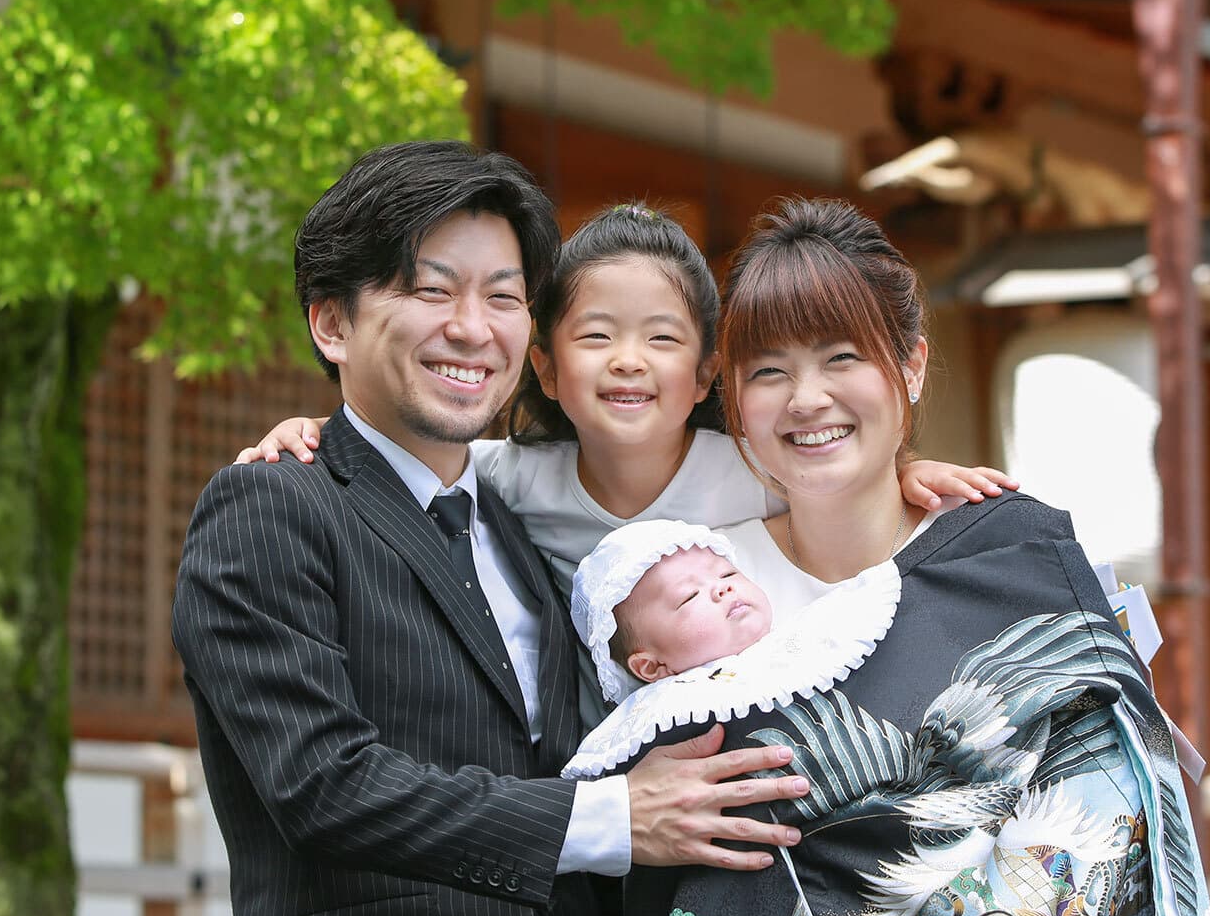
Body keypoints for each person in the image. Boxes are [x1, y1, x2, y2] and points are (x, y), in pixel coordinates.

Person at [170, 142, 814, 916]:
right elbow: (321, 785)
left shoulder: (523, 532)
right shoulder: (272, 505)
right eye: (432, 290)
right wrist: (614, 816)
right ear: (332, 321)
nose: (472, 328)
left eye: (504, 296)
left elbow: (578, 801)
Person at [620, 198, 1210, 916]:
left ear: (910, 366)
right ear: (734, 404)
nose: (808, 398)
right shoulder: (681, 596)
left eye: (842, 357)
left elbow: (1109, 819)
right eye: (769, 371)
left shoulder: (1009, 559)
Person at [237, 201, 1016, 728]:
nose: (629, 362)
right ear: (544, 367)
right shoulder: (512, 476)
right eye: (597, 336)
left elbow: (837, 467)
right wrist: (314, 428)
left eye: (663, 339)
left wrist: (910, 471)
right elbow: (406, 451)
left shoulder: (750, 468)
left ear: (709, 374)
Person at [559, 518, 901, 782]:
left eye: (727, 573)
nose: (722, 589)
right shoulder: (659, 711)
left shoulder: (804, 633)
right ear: (652, 667)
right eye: (688, 596)